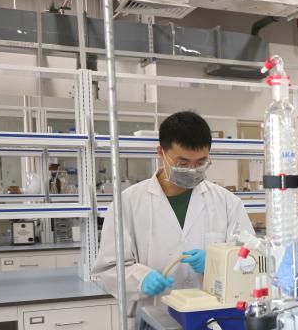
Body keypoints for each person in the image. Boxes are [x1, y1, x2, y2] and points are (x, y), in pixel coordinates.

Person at [93, 111, 254, 314]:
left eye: (201, 162)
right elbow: (109, 269)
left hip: (212, 317)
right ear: (161, 153)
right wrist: (141, 278)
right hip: (153, 315)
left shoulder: (227, 203)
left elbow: (251, 261)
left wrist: (218, 262)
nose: (193, 170)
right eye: (182, 163)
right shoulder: (127, 204)